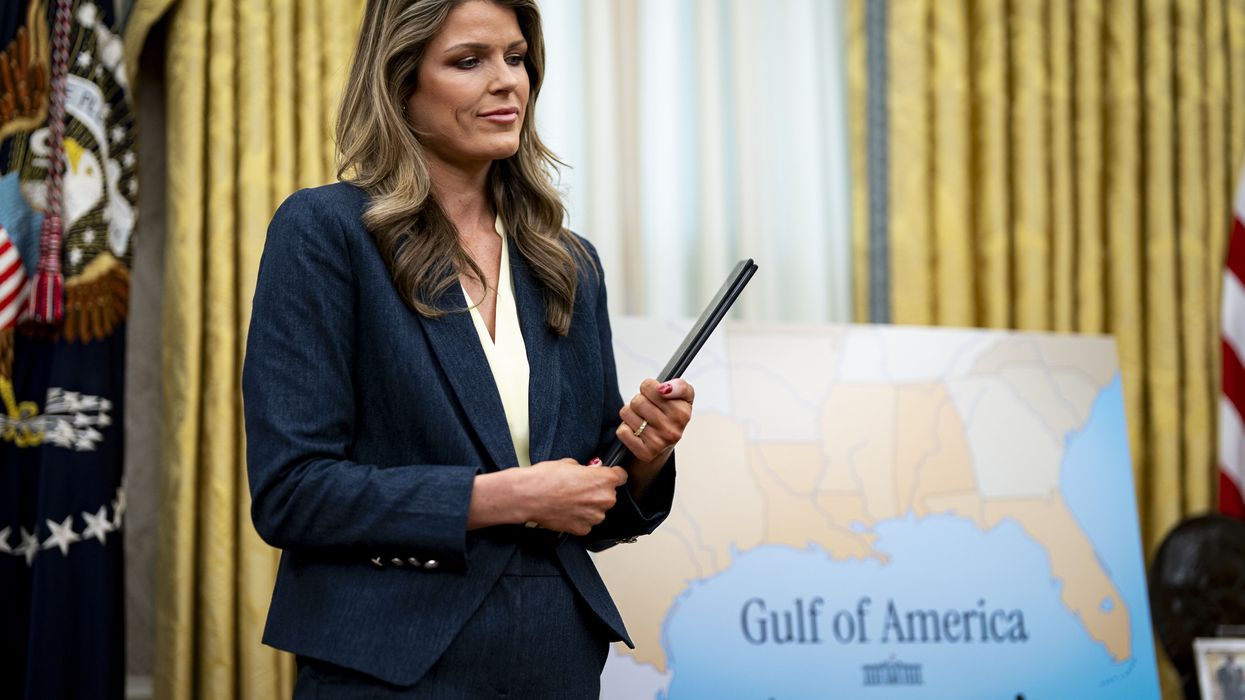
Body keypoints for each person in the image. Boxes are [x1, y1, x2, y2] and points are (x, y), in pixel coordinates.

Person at [240, 0, 693, 696]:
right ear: (400, 82)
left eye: (515, 57)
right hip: (386, 661)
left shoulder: (568, 263)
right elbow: (293, 494)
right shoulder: (325, 233)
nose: (507, 80)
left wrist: (642, 457)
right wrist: (506, 496)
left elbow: (587, 509)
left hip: (554, 657)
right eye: (467, 60)